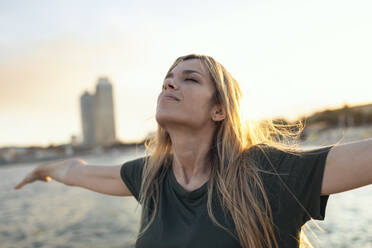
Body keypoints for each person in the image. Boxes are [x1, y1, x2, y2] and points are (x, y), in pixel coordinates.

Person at [14, 54, 372, 248]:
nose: (170, 82)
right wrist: (42, 168)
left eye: (190, 78)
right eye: (168, 78)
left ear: (219, 110)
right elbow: (77, 170)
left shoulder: (268, 173)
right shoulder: (151, 176)